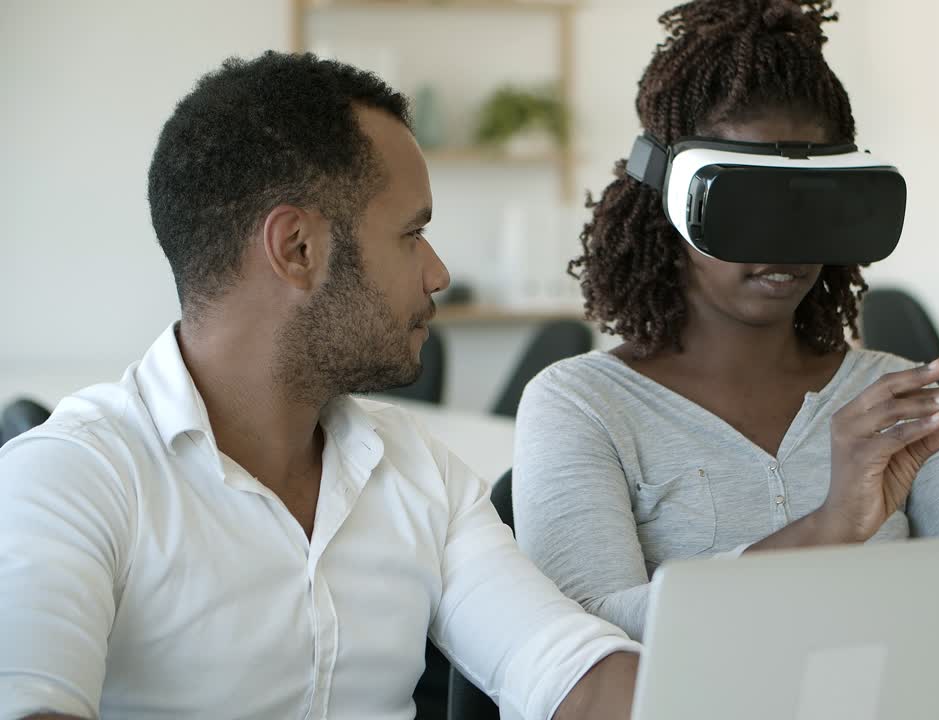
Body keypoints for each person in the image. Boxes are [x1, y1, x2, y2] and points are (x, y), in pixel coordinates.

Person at [0, 52, 639, 720]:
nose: (439, 272)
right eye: (412, 233)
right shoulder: (69, 479)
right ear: (298, 249)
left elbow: (569, 671)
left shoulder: (420, 472)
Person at [513, 0, 939, 692]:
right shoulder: (581, 405)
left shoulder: (903, 403)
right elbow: (578, 664)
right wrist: (828, 529)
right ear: (668, 201)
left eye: (810, 204)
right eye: (749, 205)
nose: (786, 245)